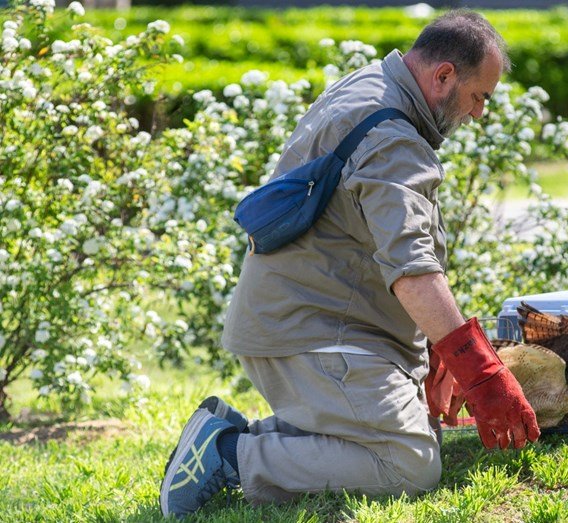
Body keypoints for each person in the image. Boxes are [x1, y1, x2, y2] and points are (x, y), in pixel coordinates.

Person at [160, 10, 540, 517]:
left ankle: (232, 436)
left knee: (416, 435)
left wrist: (437, 352)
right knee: (408, 463)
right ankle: (229, 457)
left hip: (309, 322)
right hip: (314, 333)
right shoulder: (393, 138)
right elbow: (413, 269)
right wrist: (481, 374)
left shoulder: (372, 85)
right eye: (479, 96)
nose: (478, 114)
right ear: (444, 75)